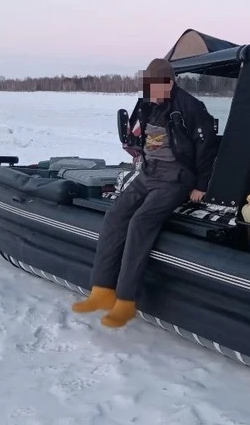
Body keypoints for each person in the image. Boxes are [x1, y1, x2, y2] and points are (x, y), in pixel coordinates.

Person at [71, 57, 219, 327]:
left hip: (176, 177)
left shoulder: (191, 107)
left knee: (140, 222)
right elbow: (138, 135)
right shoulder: (146, 104)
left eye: (157, 86)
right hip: (148, 173)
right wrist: (136, 147)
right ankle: (102, 291)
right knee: (116, 216)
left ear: (170, 83)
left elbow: (205, 146)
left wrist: (201, 185)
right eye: (149, 86)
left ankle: (126, 301)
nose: (152, 91)